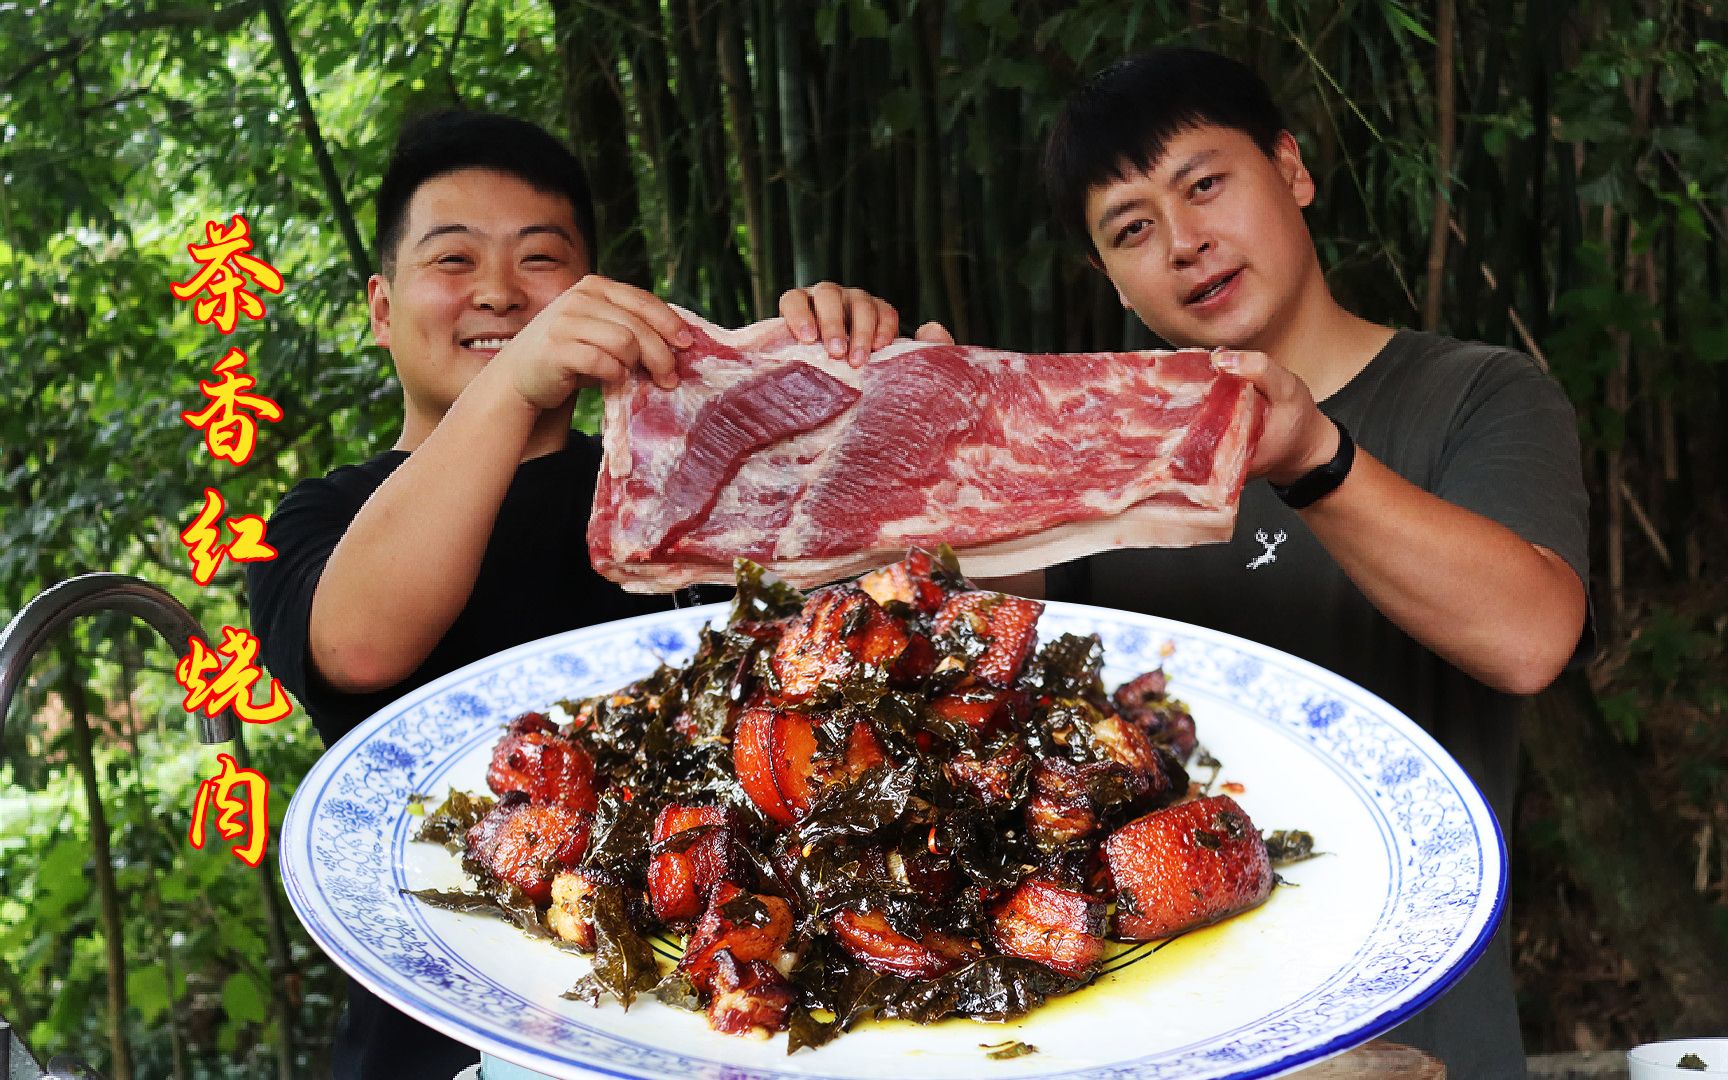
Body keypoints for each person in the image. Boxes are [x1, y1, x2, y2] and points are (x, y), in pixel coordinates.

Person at [246, 109, 908, 1080]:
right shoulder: (322, 517)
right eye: (454, 261)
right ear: (382, 308)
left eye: (540, 261)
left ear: (592, 291)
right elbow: (356, 647)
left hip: (708, 1020)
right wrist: (510, 388)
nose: (503, 294)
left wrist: (871, 402)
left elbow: (874, 648)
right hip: (437, 1043)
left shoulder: (689, 488)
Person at [1036, 48, 1589, 1079]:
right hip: (1156, 1035)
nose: (1186, 243)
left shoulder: (1478, 396)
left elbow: (1530, 638)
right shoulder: (1100, 452)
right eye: (1133, 228)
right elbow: (938, 631)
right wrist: (853, 401)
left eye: (1205, 185)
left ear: (1290, 169)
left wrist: (1315, 459)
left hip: (1418, 1040)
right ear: (1107, 272)